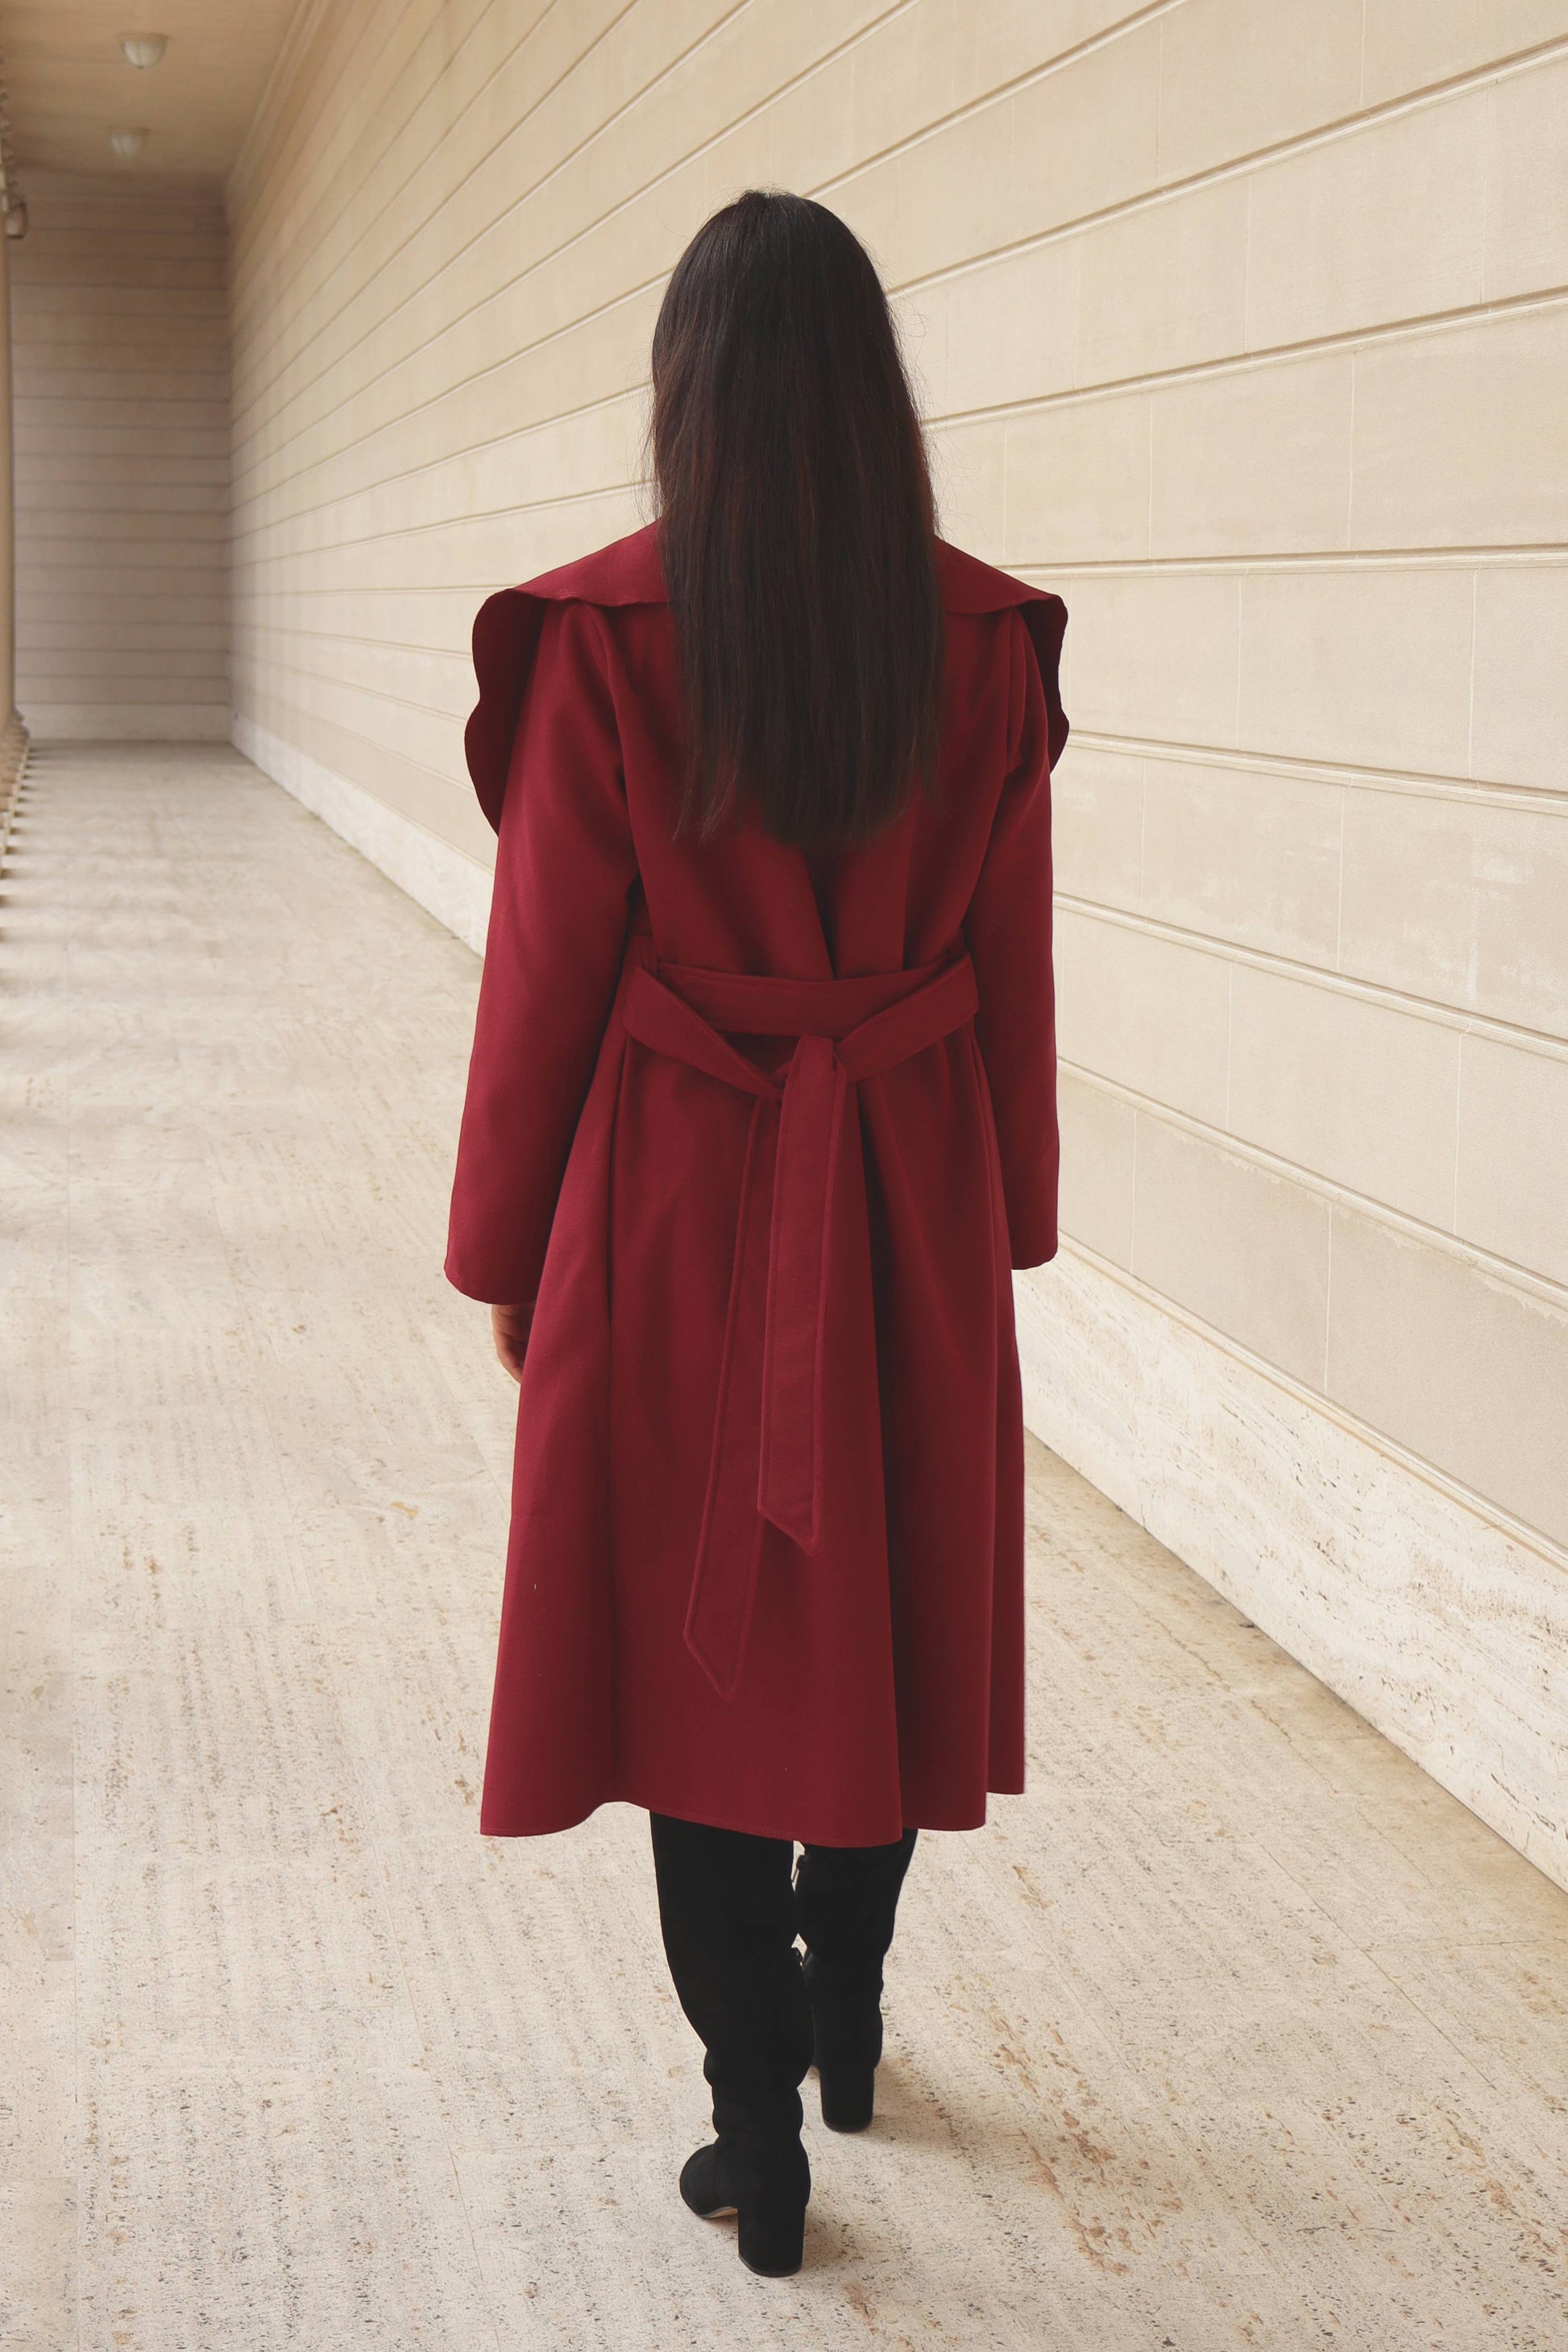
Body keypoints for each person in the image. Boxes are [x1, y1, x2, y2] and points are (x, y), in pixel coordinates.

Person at [446, 189, 1067, 2279]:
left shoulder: (610, 639)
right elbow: (1011, 959)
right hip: (905, 1184)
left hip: (676, 1199)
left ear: (682, 398)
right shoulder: (979, 641)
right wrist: (1006, 1222)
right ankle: (854, 2023)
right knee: (879, 1626)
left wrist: (507, 1251)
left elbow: (540, 972)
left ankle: (756, 2138)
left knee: (692, 1680)